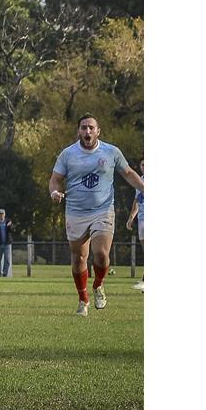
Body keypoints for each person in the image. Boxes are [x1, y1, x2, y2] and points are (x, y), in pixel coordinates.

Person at [48, 114, 144, 316]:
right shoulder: (68, 154)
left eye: (91, 128)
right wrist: (54, 192)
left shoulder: (111, 152)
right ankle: (83, 300)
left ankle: (98, 285)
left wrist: (145, 188)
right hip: (75, 211)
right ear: (78, 131)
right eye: (84, 128)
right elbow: (55, 179)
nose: (87, 131)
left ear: (98, 131)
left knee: (101, 254)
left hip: (103, 209)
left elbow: (128, 173)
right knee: (79, 257)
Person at [125, 157, 144, 291]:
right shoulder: (139, 180)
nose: (144, 167)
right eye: (142, 164)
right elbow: (137, 200)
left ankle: (144, 280)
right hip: (142, 219)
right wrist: (131, 217)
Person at [0, 209, 14, 277]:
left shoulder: (8, 221)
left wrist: (9, 226)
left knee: (7, 260)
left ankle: (5, 274)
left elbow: (12, 230)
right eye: (0, 214)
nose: (1, 215)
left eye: (2, 214)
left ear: (4, 214)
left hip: (7, 244)